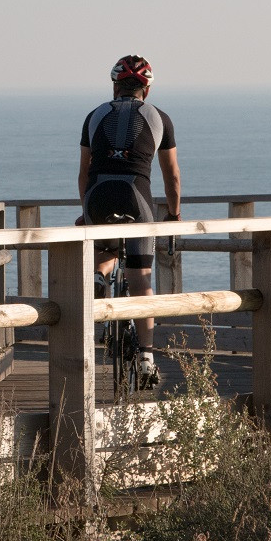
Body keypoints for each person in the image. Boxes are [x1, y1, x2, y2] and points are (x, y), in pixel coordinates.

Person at [79, 54, 182, 387]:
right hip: (136, 196)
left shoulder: (94, 115)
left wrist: (86, 209)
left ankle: (98, 278)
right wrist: (174, 214)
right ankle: (147, 357)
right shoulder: (160, 118)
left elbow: (84, 172)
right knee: (140, 277)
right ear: (146, 89)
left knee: (105, 248)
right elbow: (172, 177)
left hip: (97, 195)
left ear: (114, 86)